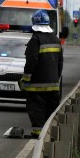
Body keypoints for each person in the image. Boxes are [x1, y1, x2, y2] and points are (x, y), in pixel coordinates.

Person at [20, 10, 63, 138]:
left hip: (36, 86)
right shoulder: (56, 39)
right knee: (50, 111)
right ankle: (49, 135)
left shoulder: (35, 39)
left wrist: (25, 80)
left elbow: (31, 62)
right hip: (54, 85)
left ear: (35, 23)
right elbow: (60, 63)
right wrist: (56, 79)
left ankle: (37, 135)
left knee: (37, 109)